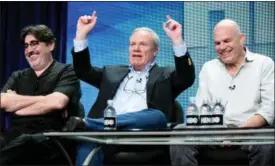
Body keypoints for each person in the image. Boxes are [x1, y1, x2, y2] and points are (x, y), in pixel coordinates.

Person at [66, 11, 195, 165]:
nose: (136, 48)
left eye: (143, 44)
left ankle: (90, 124)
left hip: (143, 136)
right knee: (86, 143)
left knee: (157, 116)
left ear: (155, 51)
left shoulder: (165, 75)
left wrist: (177, 40)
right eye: (133, 44)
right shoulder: (111, 72)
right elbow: (83, 71)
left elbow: (187, 77)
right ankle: (96, 126)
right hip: (105, 136)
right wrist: (81, 35)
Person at [170, 19, 274, 166]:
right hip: (215, 131)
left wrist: (237, 132)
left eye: (226, 41)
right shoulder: (209, 68)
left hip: (251, 130)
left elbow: (269, 109)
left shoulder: (264, 64)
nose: (222, 47)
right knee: (180, 133)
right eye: (217, 43)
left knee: (268, 140)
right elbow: (201, 108)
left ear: (241, 39)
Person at [0, 24, 81, 165]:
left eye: (34, 44)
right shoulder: (17, 76)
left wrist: (17, 107)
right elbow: (3, 101)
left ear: (50, 45)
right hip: (13, 136)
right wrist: (45, 100)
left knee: (27, 142)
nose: (29, 50)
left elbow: (57, 103)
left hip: (50, 140)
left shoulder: (67, 71)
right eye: (26, 46)